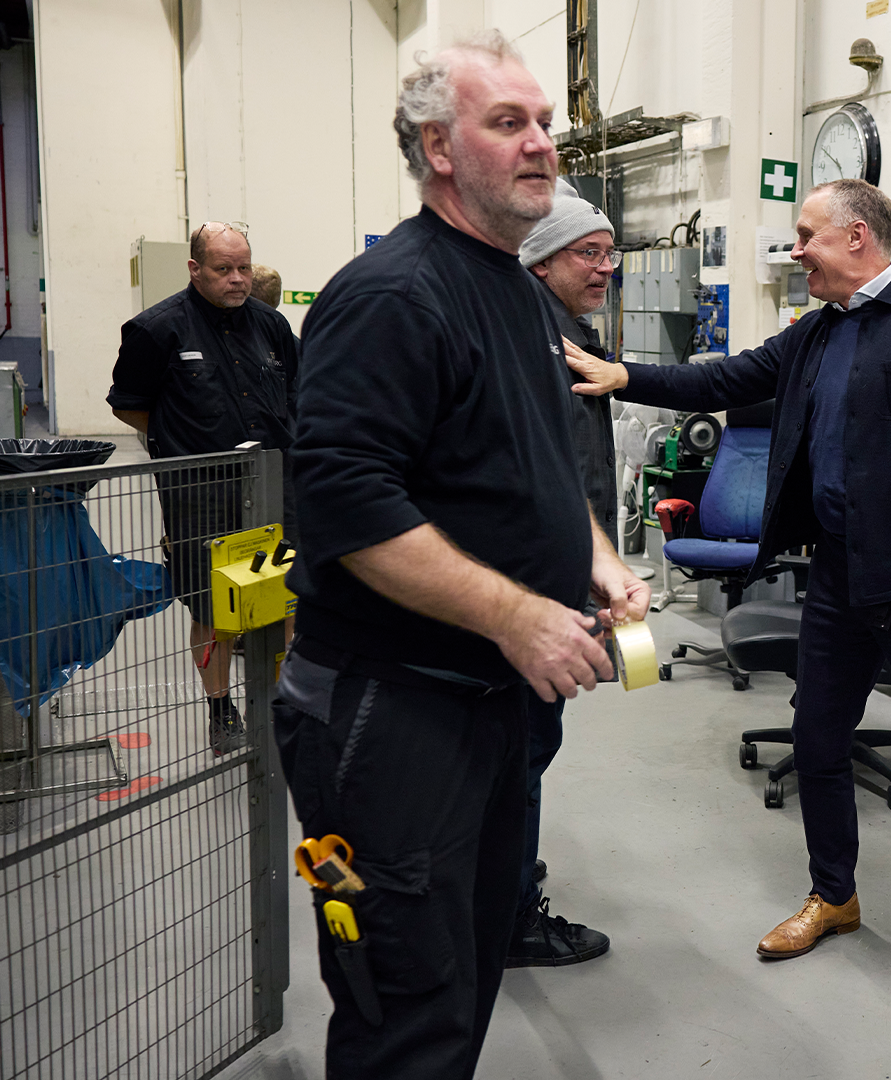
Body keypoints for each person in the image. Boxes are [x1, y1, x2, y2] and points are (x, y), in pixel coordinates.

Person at [567, 178, 891, 1024]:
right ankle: (835, 896)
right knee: (819, 745)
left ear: (857, 237)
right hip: (837, 579)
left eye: (807, 235)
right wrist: (623, 374)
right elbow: (725, 377)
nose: (796, 251)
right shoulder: (817, 331)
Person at [275, 33, 616, 1078]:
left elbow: (536, 464)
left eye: (545, 122)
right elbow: (345, 504)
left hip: (487, 703)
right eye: (508, 123)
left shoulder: (517, 293)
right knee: (405, 1008)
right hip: (388, 714)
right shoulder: (393, 295)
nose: (542, 143)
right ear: (437, 147)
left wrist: (596, 560)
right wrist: (517, 614)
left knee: (464, 978)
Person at [506, 179, 648, 968]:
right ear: (542, 260)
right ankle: (511, 919)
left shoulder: (563, 336)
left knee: (525, 747)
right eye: (588, 253)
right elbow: (542, 481)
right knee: (523, 750)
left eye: (609, 253)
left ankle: (501, 894)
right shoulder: (539, 345)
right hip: (535, 592)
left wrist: (600, 563)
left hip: (559, 576)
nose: (605, 268)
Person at [106, 221, 299, 754]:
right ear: (195, 268)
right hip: (202, 496)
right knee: (213, 609)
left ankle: (277, 703)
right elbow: (128, 404)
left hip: (274, 488)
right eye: (223, 269)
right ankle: (221, 709)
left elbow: (295, 393)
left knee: (282, 599)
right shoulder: (157, 329)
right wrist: (180, 439)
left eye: (244, 268)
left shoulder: (271, 325)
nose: (237, 279)